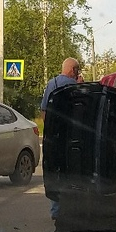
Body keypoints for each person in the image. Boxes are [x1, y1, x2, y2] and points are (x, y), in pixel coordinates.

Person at [39, 58, 81, 220]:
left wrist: (51, 129)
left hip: (54, 138)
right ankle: (72, 210)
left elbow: (44, 111)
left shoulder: (52, 84)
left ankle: (56, 211)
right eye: (77, 70)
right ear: (73, 71)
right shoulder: (76, 87)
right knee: (72, 172)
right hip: (74, 138)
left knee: (55, 171)